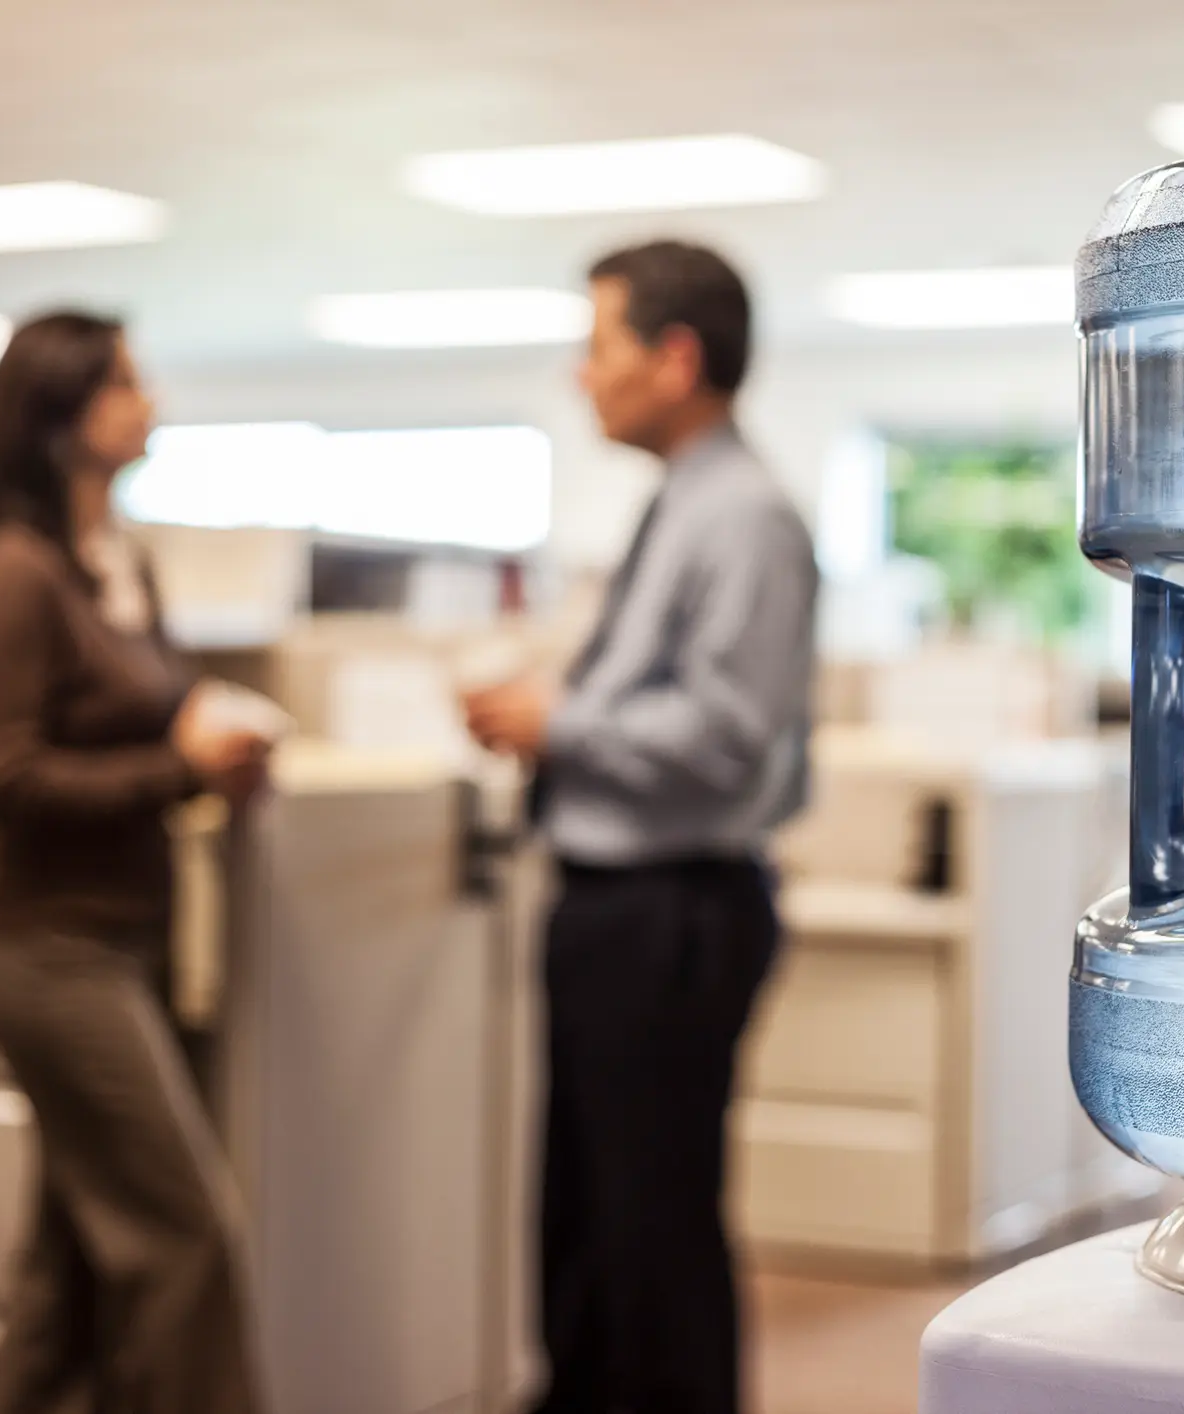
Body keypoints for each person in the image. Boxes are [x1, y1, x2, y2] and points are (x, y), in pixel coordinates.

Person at [465, 242, 818, 1414]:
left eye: (600, 344)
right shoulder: (687, 500)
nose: (581, 375)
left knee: (648, 1232)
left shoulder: (745, 514)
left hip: (672, 908)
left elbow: (725, 729)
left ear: (675, 359)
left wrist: (560, 722)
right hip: (620, 906)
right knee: (591, 1223)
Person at [0, 311, 270, 1414]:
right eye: (125, 385)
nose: (152, 405)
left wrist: (214, 736)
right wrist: (177, 767)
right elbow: (2, 779)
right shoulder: (15, 575)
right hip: (52, 954)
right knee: (189, 1235)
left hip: (132, 941)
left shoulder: (117, 565)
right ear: (58, 415)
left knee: (71, 1272)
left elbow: (160, 712)